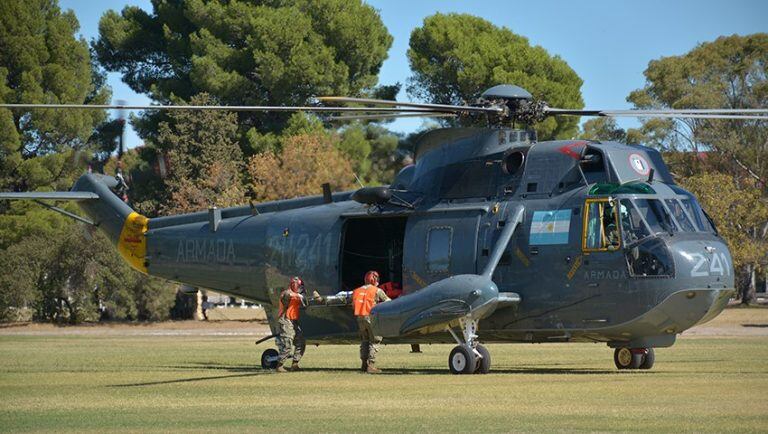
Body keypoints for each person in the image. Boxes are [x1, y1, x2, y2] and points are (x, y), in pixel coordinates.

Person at [352, 271, 390, 374]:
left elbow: (353, 304)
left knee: (365, 341)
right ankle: (371, 365)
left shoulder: (356, 291)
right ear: (375, 280)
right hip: (371, 317)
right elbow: (389, 303)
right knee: (375, 340)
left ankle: (364, 364)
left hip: (360, 318)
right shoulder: (377, 290)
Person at [275, 276, 307, 372]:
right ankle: (279, 365)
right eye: (298, 286)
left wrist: (302, 296)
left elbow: (305, 303)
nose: (300, 288)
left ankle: (295, 364)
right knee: (288, 343)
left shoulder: (298, 295)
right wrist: (298, 295)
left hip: (294, 321)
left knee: (301, 342)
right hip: (285, 320)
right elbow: (287, 296)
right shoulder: (287, 293)